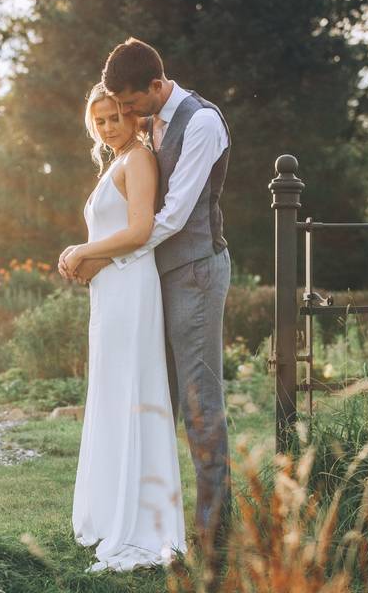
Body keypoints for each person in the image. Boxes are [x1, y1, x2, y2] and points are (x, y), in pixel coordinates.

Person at [62, 38, 233, 563]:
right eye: (115, 111)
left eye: (131, 106)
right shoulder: (151, 124)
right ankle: (144, 511)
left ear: (156, 86)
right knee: (152, 396)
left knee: (199, 402)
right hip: (152, 277)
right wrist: (118, 260)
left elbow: (175, 215)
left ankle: (213, 536)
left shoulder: (201, 123)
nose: (126, 117)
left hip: (195, 272)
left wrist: (104, 255)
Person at [61, 81, 186, 573]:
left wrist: (82, 252)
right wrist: (86, 259)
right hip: (110, 290)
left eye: (115, 116)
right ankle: (110, 508)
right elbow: (111, 235)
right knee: (111, 394)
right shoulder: (115, 163)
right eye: (99, 120)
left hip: (132, 288)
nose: (108, 126)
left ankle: (141, 525)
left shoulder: (139, 159)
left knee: (133, 391)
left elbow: (139, 231)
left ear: (134, 116)